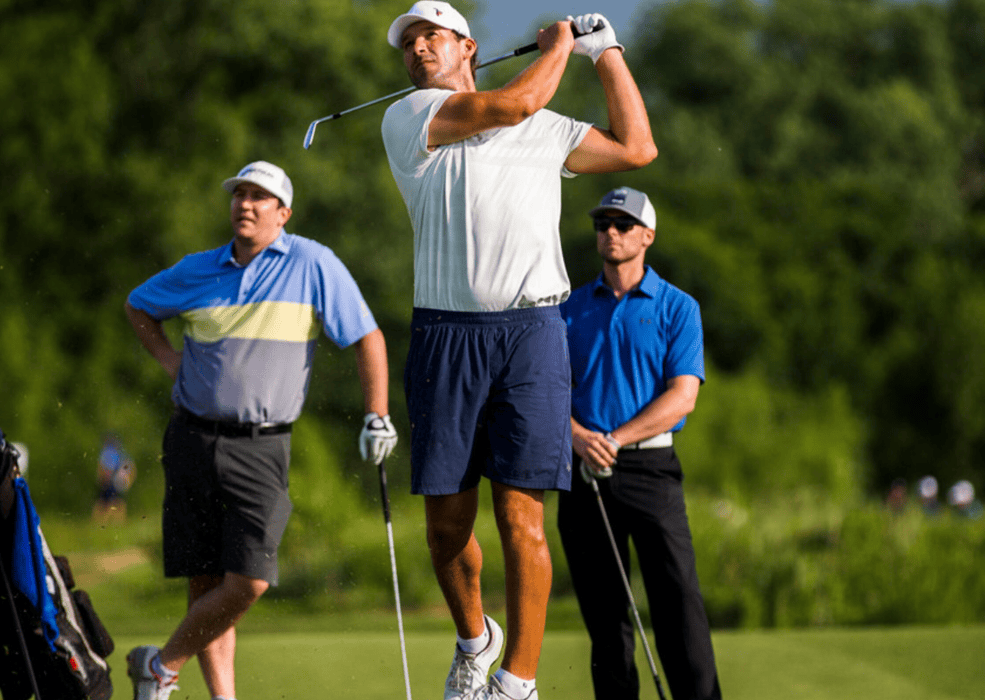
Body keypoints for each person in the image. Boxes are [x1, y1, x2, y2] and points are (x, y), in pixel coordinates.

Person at [379, 3, 656, 700]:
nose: (417, 51)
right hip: (446, 335)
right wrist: (561, 44)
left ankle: (517, 682)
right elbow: (518, 99)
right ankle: (477, 640)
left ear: (466, 45)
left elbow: (636, 149)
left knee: (521, 516)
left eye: (430, 38)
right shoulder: (411, 117)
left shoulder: (539, 127)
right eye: (408, 44)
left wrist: (606, 51)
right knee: (445, 529)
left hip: (531, 335)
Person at [122, 160, 398, 700]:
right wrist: (170, 362)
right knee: (204, 580)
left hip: (262, 444)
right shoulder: (199, 269)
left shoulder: (313, 264)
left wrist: (377, 413)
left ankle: (159, 666)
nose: (245, 204)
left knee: (248, 580)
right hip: (192, 438)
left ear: (283, 212)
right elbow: (138, 305)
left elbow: (367, 337)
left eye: (260, 197)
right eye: (240, 194)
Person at [557, 187, 721, 700]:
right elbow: (544, 393)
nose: (610, 232)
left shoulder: (677, 307)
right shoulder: (568, 309)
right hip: (583, 475)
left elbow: (682, 398)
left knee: (679, 604)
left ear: (647, 236)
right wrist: (581, 439)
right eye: (603, 223)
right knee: (606, 619)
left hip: (650, 472)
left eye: (623, 225)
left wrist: (615, 438)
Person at [93, 433, 136, 523]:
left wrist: (100, 480)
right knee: (118, 503)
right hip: (119, 482)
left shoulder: (107, 453)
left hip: (108, 482)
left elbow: (103, 469)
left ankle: (100, 524)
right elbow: (131, 468)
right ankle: (119, 524)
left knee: (103, 504)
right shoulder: (122, 454)